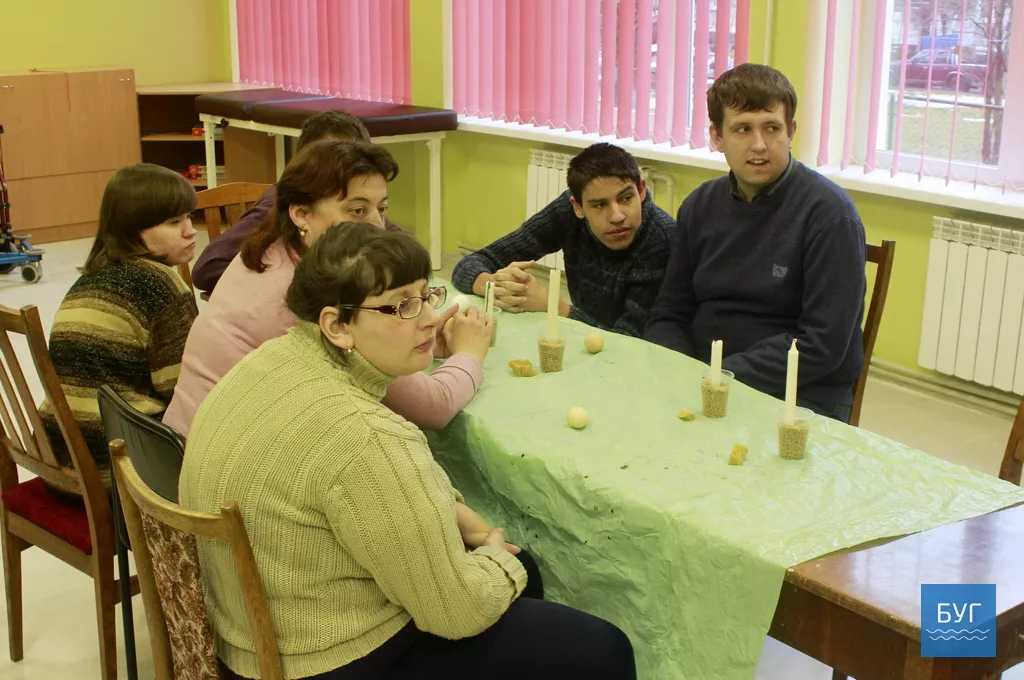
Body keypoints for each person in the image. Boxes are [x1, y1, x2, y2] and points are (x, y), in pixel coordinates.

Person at [179, 223, 636, 680]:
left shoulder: (269, 361)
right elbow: (457, 613)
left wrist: (455, 513)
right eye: (402, 306)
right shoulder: (366, 436)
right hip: (324, 658)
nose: (430, 319)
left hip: (250, 638)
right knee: (600, 644)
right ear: (336, 325)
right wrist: (497, 557)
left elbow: (369, 494)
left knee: (519, 574)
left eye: (426, 296)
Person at [163, 140, 488, 438]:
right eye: (357, 211)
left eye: (382, 209)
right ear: (301, 213)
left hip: (184, 445)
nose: (378, 226)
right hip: (219, 480)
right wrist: (470, 351)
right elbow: (434, 407)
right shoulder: (309, 299)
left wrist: (416, 338)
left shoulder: (271, 249)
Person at [645, 64, 866, 422]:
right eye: (743, 129)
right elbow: (670, 312)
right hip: (702, 377)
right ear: (717, 136)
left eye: (772, 128)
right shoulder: (699, 206)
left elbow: (822, 346)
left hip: (800, 392)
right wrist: (678, 369)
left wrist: (719, 376)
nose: (759, 145)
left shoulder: (830, 215)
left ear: (791, 131)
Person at [39, 164, 198, 487]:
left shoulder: (91, 278)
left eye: (189, 217)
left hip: (58, 461)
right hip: (118, 471)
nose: (191, 230)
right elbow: (182, 389)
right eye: (174, 222)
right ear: (133, 228)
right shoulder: (161, 285)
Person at [450, 142, 674, 338]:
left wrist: (554, 306)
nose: (617, 216)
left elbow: (628, 341)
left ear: (642, 190)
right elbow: (472, 264)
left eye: (626, 198)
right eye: (599, 205)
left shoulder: (661, 239)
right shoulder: (566, 212)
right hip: (581, 338)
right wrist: (493, 285)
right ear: (578, 207)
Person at [190, 109, 402, 295]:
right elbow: (207, 268)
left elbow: (398, 246)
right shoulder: (278, 206)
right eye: (336, 161)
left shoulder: (352, 203)